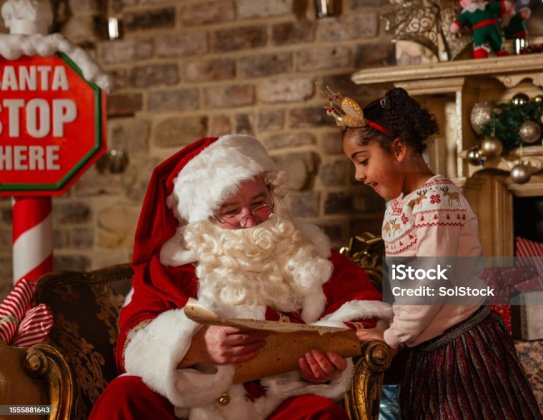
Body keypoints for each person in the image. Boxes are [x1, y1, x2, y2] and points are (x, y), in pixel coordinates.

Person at [89, 134, 391, 419]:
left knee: (319, 414)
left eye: (259, 203)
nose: (249, 219)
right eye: (230, 210)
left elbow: (361, 310)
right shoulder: (172, 267)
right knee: (124, 394)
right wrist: (191, 348)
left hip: (274, 405)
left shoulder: (307, 251)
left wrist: (329, 363)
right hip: (189, 408)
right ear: (202, 218)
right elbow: (134, 341)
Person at [326, 87, 542, 419]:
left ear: (398, 149)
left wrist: (393, 336)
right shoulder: (398, 204)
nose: (358, 175)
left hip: (463, 348)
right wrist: (394, 327)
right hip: (428, 346)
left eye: (363, 161)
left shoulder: (436, 199)